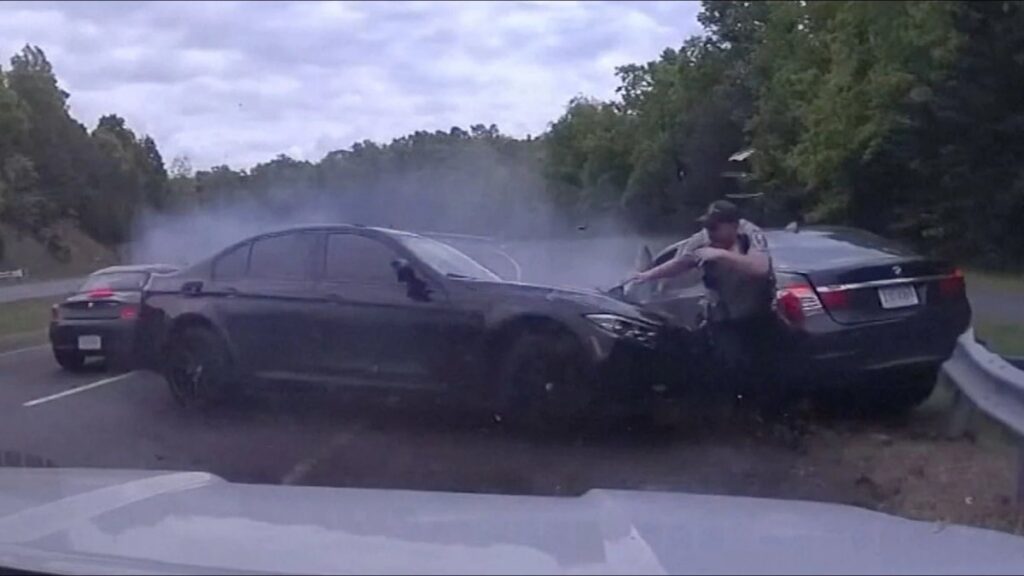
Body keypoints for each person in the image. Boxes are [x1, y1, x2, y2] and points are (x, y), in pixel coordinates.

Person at [630, 200, 777, 404]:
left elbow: (760, 268)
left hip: (759, 312)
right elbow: (679, 264)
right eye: (707, 225)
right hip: (724, 317)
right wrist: (646, 276)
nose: (710, 231)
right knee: (732, 367)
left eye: (715, 227)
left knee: (770, 365)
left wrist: (720, 254)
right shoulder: (701, 241)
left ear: (733, 225)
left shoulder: (750, 234)